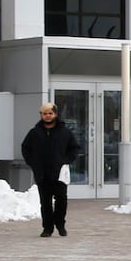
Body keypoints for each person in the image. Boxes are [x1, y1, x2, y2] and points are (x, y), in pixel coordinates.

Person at [21, 102, 80, 238]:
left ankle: (60, 224)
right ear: (41, 115)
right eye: (44, 113)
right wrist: (33, 163)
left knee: (61, 200)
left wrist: (66, 160)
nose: (47, 116)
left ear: (55, 114)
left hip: (59, 173)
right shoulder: (35, 132)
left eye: (50, 113)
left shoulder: (64, 132)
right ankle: (47, 228)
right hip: (42, 173)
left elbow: (74, 148)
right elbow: (25, 148)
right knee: (45, 202)